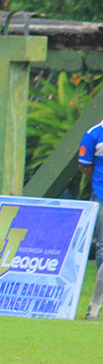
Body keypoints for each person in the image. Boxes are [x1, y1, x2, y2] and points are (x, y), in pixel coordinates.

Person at [78, 123, 103, 320]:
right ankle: (95, 306)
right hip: (101, 197)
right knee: (102, 250)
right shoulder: (93, 133)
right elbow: (84, 165)